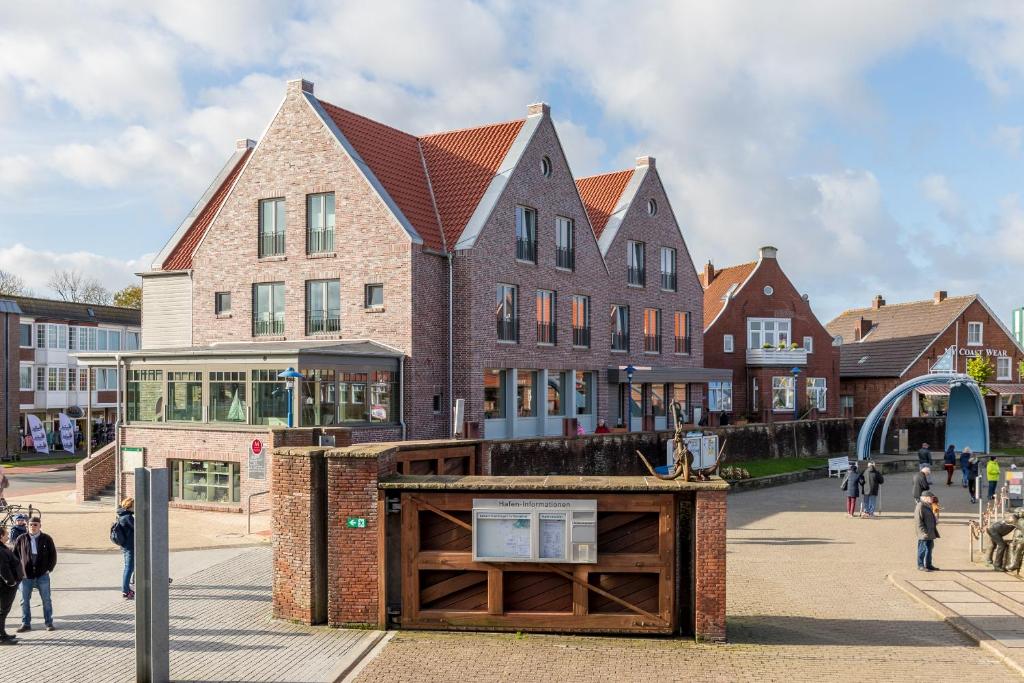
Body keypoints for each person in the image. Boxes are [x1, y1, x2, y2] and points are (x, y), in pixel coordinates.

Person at [13, 517, 56, 632]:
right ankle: (26, 623)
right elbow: (15, 557)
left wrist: (49, 569)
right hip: (26, 576)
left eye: (35, 525)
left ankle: (49, 623)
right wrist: (19, 572)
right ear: (27, 526)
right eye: (31, 525)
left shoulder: (47, 539)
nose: (33, 527)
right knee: (24, 600)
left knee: (46, 600)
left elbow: (53, 555)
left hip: (42, 575)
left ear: (40, 526)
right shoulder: (21, 539)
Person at [0, 525, 22, 644]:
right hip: (5, 587)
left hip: (7, 586)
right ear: (1, 536)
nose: (8, 536)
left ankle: (2, 633)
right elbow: (3, 568)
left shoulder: (2, 548)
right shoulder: (1, 550)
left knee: (3, 611)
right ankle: (1, 637)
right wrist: (11, 582)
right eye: (6, 534)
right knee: (2, 611)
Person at [114, 498, 135, 599]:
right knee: (129, 568)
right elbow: (138, 528)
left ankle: (133, 583)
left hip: (127, 545)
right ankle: (125, 591)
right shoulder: (128, 517)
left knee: (133, 566)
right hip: (130, 546)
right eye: (134, 505)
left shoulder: (122, 515)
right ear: (130, 506)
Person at [915, 491, 940, 571]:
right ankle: (920, 565)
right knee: (922, 549)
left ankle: (928, 564)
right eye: (930, 497)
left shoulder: (928, 505)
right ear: (925, 498)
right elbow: (918, 521)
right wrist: (923, 532)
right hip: (924, 533)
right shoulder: (920, 506)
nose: (932, 499)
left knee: (929, 549)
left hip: (930, 532)